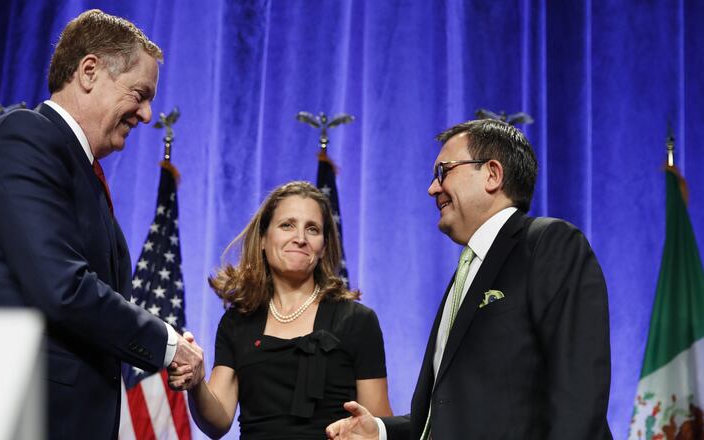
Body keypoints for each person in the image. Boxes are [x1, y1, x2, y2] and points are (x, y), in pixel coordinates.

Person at [0, 9, 202, 439]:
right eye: (139, 94)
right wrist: (166, 344)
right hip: (20, 415)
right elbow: (62, 287)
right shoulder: (24, 138)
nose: (147, 115)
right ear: (89, 72)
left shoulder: (78, 169)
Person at [326, 119, 612, 439]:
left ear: (492, 174)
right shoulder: (470, 269)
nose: (433, 188)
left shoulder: (548, 244)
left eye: (443, 172)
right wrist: (380, 431)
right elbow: (455, 413)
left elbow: (579, 392)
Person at [169, 181, 392, 439]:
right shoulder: (237, 321)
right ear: (263, 239)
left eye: (312, 229)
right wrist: (196, 384)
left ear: (323, 247)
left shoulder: (357, 321)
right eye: (287, 225)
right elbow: (217, 423)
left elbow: (378, 425)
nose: (300, 238)